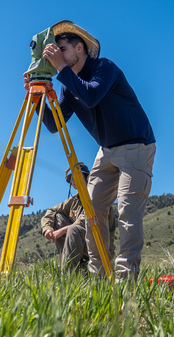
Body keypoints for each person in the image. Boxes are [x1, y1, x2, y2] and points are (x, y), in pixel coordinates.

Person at [30, 20, 156, 279]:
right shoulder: (67, 83)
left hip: (136, 145)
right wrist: (37, 96)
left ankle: (126, 278)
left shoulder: (104, 67)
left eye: (61, 48)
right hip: (106, 150)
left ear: (79, 48)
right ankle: (99, 276)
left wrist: (62, 69)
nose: (56, 55)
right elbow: (54, 124)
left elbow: (91, 95)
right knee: (92, 213)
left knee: (128, 212)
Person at [40, 164, 116, 270]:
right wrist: (47, 229)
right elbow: (51, 211)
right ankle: (71, 263)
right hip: (83, 242)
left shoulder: (96, 197)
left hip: (99, 244)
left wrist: (61, 231)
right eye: (72, 178)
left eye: (78, 177)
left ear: (87, 178)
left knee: (73, 230)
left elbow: (83, 222)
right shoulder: (75, 199)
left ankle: (67, 276)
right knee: (58, 217)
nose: (74, 181)